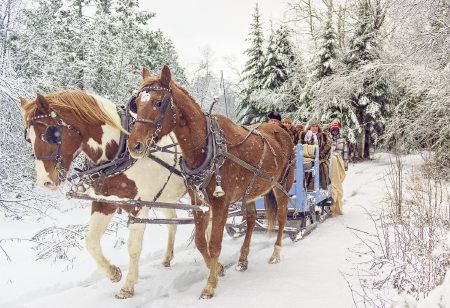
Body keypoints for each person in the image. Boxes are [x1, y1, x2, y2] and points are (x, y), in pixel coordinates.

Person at [298, 119, 331, 189]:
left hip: (320, 158)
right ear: (310, 127)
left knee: (321, 166)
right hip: (307, 157)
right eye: (313, 126)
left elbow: (327, 146)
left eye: (316, 126)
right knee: (301, 166)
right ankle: (302, 186)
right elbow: (300, 145)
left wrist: (320, 154)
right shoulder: (304, 135)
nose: (315, 128)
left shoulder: (323, 136)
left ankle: (315, 185)